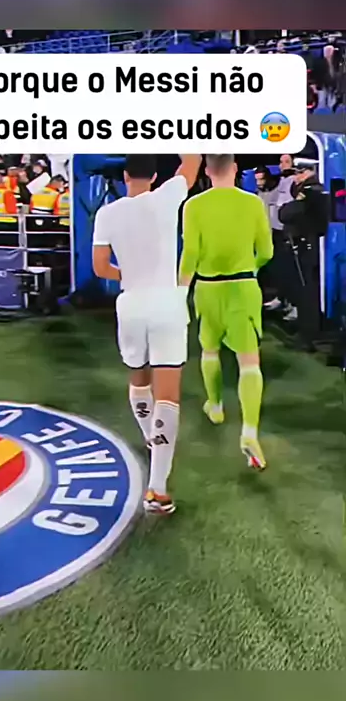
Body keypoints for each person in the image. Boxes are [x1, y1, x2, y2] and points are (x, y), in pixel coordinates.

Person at [92, 154, 202, 515]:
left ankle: (150, 437)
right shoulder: (167, 196)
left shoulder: (107, 213)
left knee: (139, 379)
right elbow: (193, 160)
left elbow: (100, 267)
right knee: (167, 395)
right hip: (166, 304)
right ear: (154, 176)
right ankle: (157, 489)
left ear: (125, 176)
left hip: (131, 303)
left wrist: (128, 275)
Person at [179, 154, 273, 470]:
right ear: (234, 169)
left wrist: (180, 292)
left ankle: (216, 406)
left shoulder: (194, 205)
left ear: (207, 171)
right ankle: (249, 432)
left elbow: (190, 253)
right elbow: (267, 251)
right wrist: (250, 270)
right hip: (243, 287)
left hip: (207, 288)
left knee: (209, 350)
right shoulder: (253, 203)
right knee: (249, 363)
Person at [278, 159, 330, 351]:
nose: (295, 177)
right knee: (305, 290)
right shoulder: (310, 190)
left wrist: (288, 207)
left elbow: (286, 213)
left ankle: (308, 336)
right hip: (306, 244)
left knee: (307, 292)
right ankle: (307, 331)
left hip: (307, 245)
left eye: (299, 172)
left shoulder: (311, 191)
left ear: (309, 171)